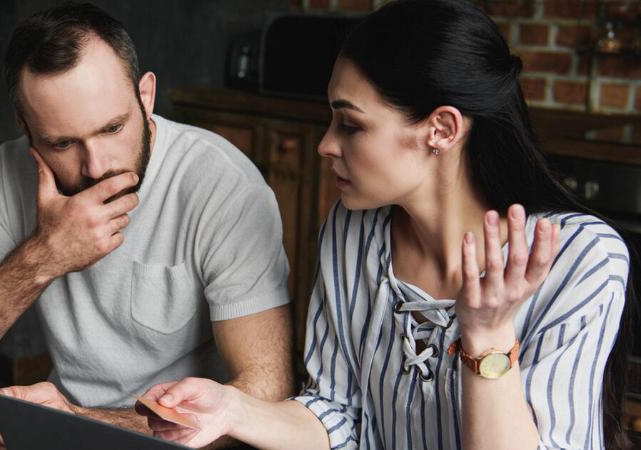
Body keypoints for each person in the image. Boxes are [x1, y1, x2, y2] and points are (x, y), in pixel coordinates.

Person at [137, 1, 635, 449]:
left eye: (351, 124)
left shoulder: (581, 260)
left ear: (440, 130)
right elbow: (337, 414)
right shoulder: (353, 231)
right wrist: (233, 410)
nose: (326, 145)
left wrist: (487, 334)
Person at [0, 3, 294, 449]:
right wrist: (43, 257)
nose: (96, 166)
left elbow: (267, 393)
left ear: (145, 96)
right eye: (63, 143)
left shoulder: (221, 185)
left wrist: (78, 421)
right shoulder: (8, 173)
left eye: (112, 128)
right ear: (26, 127)